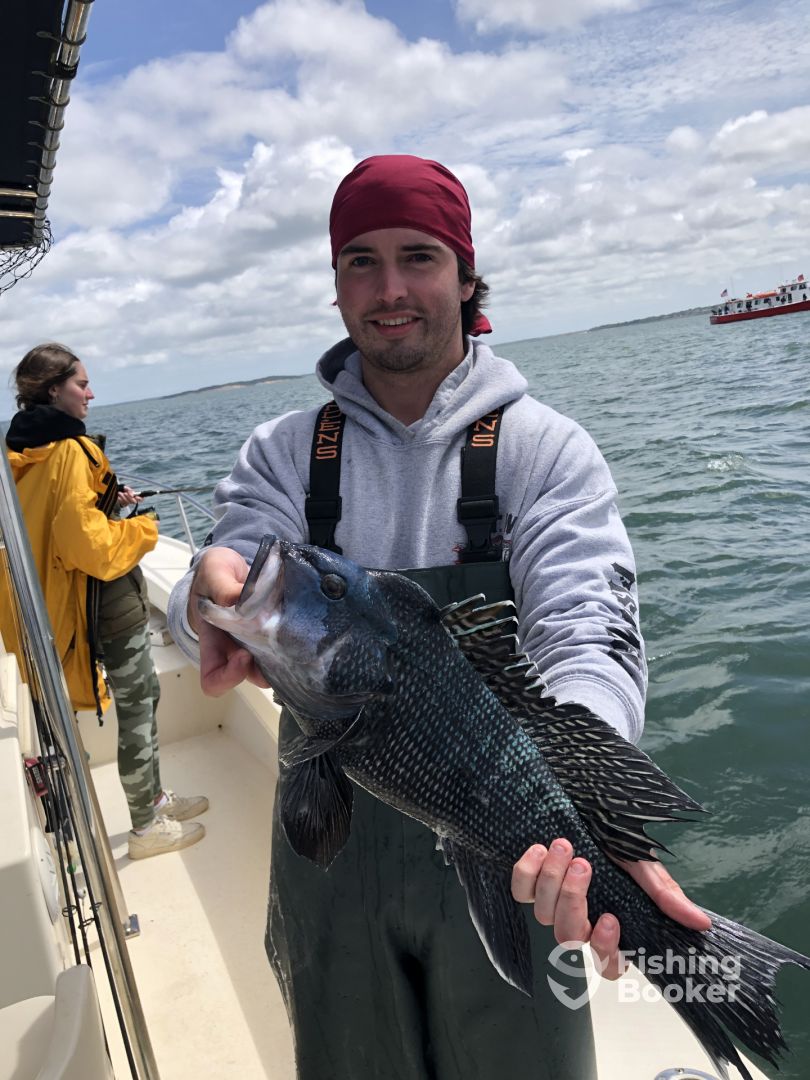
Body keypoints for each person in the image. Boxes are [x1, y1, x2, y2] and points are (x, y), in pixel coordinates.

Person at [167, 155, 710, 1079]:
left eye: (417, 256)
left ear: (465, 276)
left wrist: (586, 810)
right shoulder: (283, 452)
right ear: (337, 285)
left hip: (511, 862)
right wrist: (203, 597)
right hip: (331, 860)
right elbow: (229, 566)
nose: (390, 289)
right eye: (361, 261)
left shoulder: (546, 451)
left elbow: (585, 625)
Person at [2, 343, 208, 860]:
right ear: (55, 390)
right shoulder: (73, 449)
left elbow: (53, 515)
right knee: (138, 703)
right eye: (82, 384)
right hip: (104, 602)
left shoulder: (21, 450)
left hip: (52, 601)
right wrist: (143, 529)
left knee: (133, 700)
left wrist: (107, 501)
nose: (91, 394)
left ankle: (153, 799)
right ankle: (146, 825)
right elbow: (87, 547)